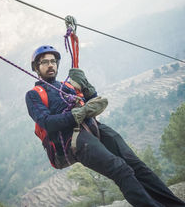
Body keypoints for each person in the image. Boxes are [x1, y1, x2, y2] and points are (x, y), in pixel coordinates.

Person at [26, 45, 185, 207]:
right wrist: (78, 114)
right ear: (36, 68)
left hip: (93, 127)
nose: (50, 65)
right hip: (73, 140)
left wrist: (87, 87)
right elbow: (47, 122)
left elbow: (91, 102)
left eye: (53, 61)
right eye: (44, 62)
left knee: (137, 166)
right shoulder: (34, 95)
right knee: (120, 170)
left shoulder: (67, 86)